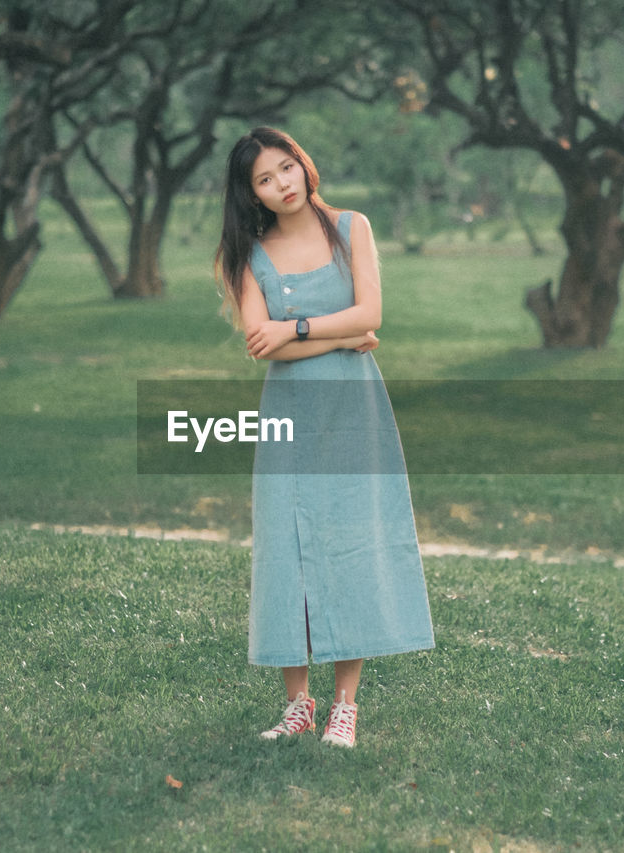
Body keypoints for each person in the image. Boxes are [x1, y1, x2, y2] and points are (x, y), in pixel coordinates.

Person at [215, 127, 434, 748]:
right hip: (288, 412)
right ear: (251, 193)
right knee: (287, 546)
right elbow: (262, 342)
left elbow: (372, 317)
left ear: (303, 164)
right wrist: (339, 335)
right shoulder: (246, 255)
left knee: (349, 538)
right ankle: (297, 705)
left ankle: (344, 706)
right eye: (264, 178)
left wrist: (301, 328)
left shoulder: (352, 228)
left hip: (352, 403)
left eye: (286, 167)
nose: (281, 183)